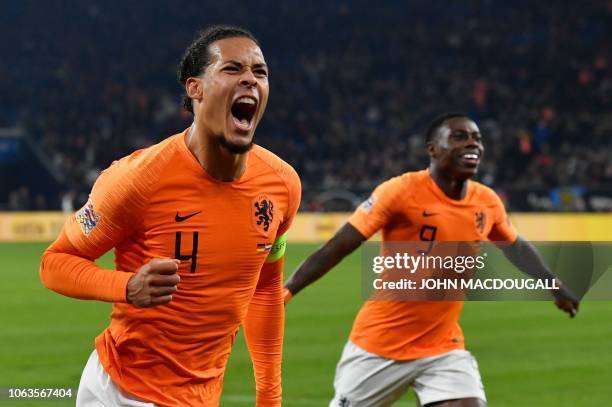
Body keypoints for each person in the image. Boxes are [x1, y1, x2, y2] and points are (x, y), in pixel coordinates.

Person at [40, 25, 301, 407]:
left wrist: (269, 397)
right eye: (232, 69)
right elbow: (54, 263)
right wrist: (126, 287)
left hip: (199, 398)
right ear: (195, 88)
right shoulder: (137, 179)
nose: (250, 78)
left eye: (259, 72)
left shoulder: (282, 186)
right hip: (119, 393)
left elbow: (264, 290)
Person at [284, 113, 579, 407]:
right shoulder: (400, 191)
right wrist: (288, 290)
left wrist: (555, 285)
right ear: (432, 149)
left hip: (442, 347)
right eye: (459, 137)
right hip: (380, 346)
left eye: (477, 138)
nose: (472, 144)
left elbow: (516, 247)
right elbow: (339, 246)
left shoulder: (486, 201)